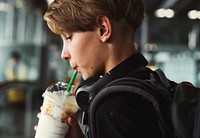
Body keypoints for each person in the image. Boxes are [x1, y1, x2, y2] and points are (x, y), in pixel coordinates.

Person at [41, 0, 174, 138]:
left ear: (103, 29)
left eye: (69, 38)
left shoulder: (113, 106)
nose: (64, 54)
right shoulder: (152, 83)